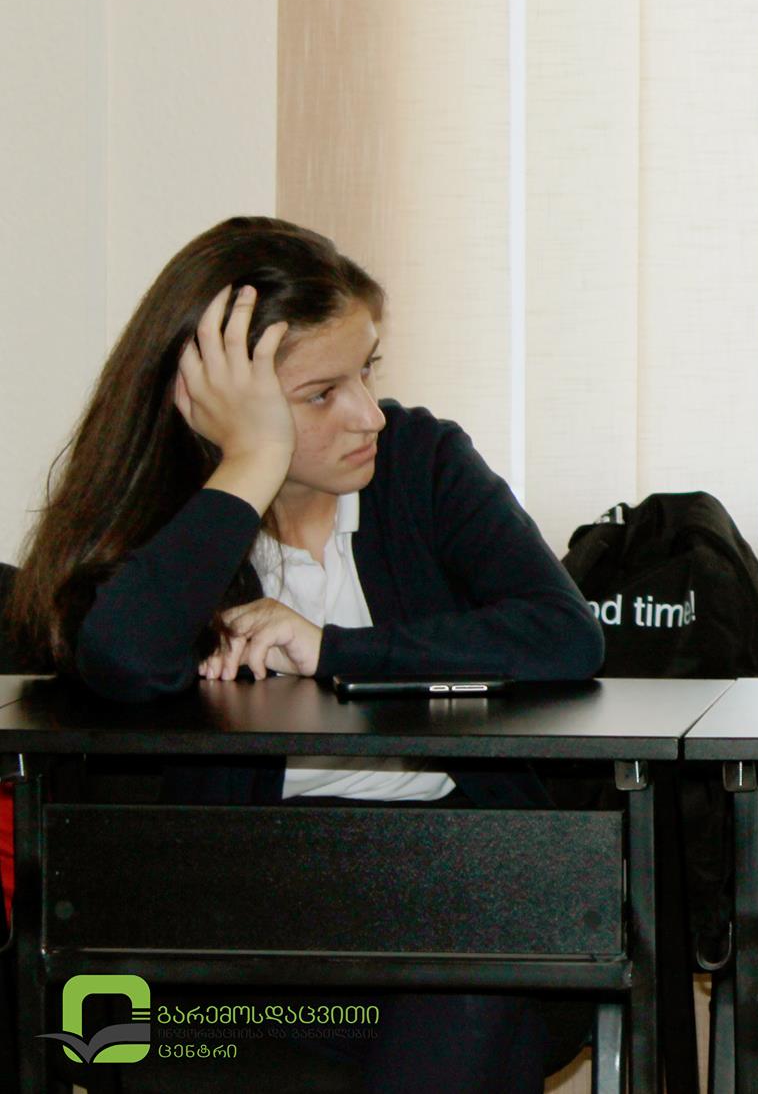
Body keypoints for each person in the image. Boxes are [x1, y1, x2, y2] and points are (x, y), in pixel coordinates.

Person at [6, 216, 604, 1094]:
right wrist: (250, 463)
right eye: (321, 393)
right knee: (473, 1018)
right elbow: (124, 656)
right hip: (233, 927)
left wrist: (332, 647)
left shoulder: (423, 459)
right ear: (213, 402)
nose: (367, 413)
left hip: (452, 880)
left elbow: (563, 632)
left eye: (368, 370)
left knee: (474, 992)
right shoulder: (169, 516)